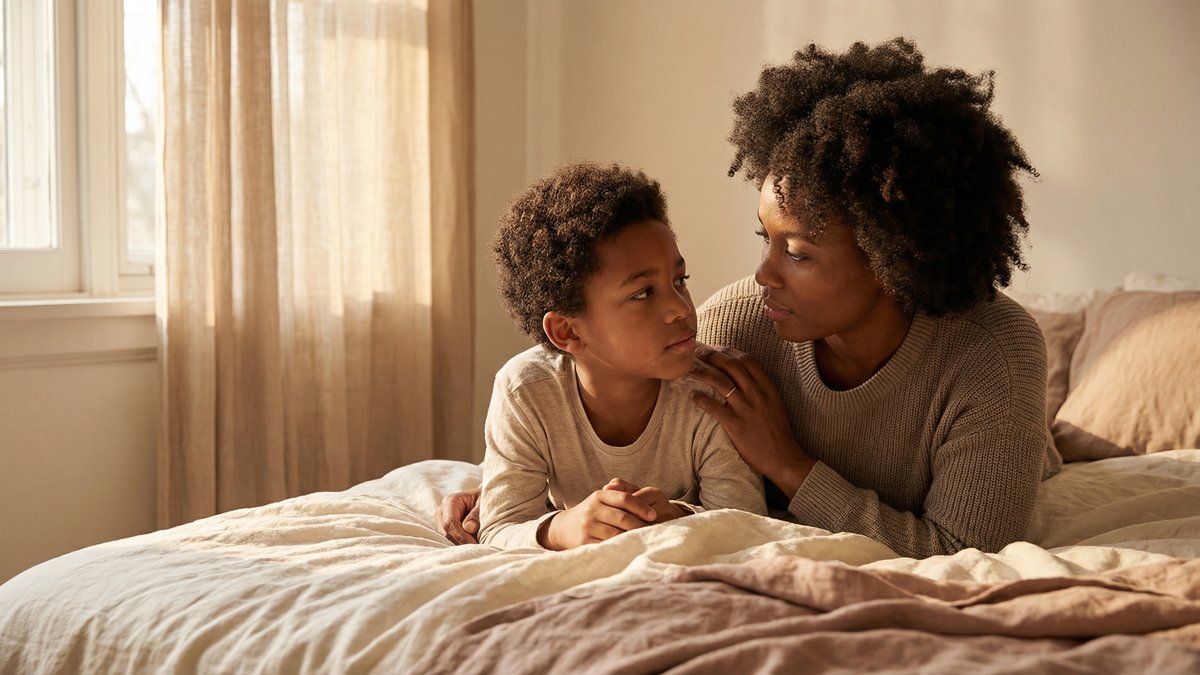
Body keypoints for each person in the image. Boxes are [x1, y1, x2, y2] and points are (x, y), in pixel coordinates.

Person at [438, 37, 1059, 559]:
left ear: (893, 256)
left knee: (1059, 446)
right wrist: (499, 498)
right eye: (766, 238)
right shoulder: (736, 326)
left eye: (798, 253)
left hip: (1013, 441)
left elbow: (967, 553)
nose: (763, 276)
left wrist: (789, 465)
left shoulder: (995, 355)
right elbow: (610, 381)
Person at [473, 161, 765, 550]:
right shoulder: (525, 392)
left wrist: (677, 518)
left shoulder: (709, 392)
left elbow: (747, 523)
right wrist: (561, 529)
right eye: (643, 293)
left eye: (679, 280)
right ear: (568, 332)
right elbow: (499, 528)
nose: (680, 308)